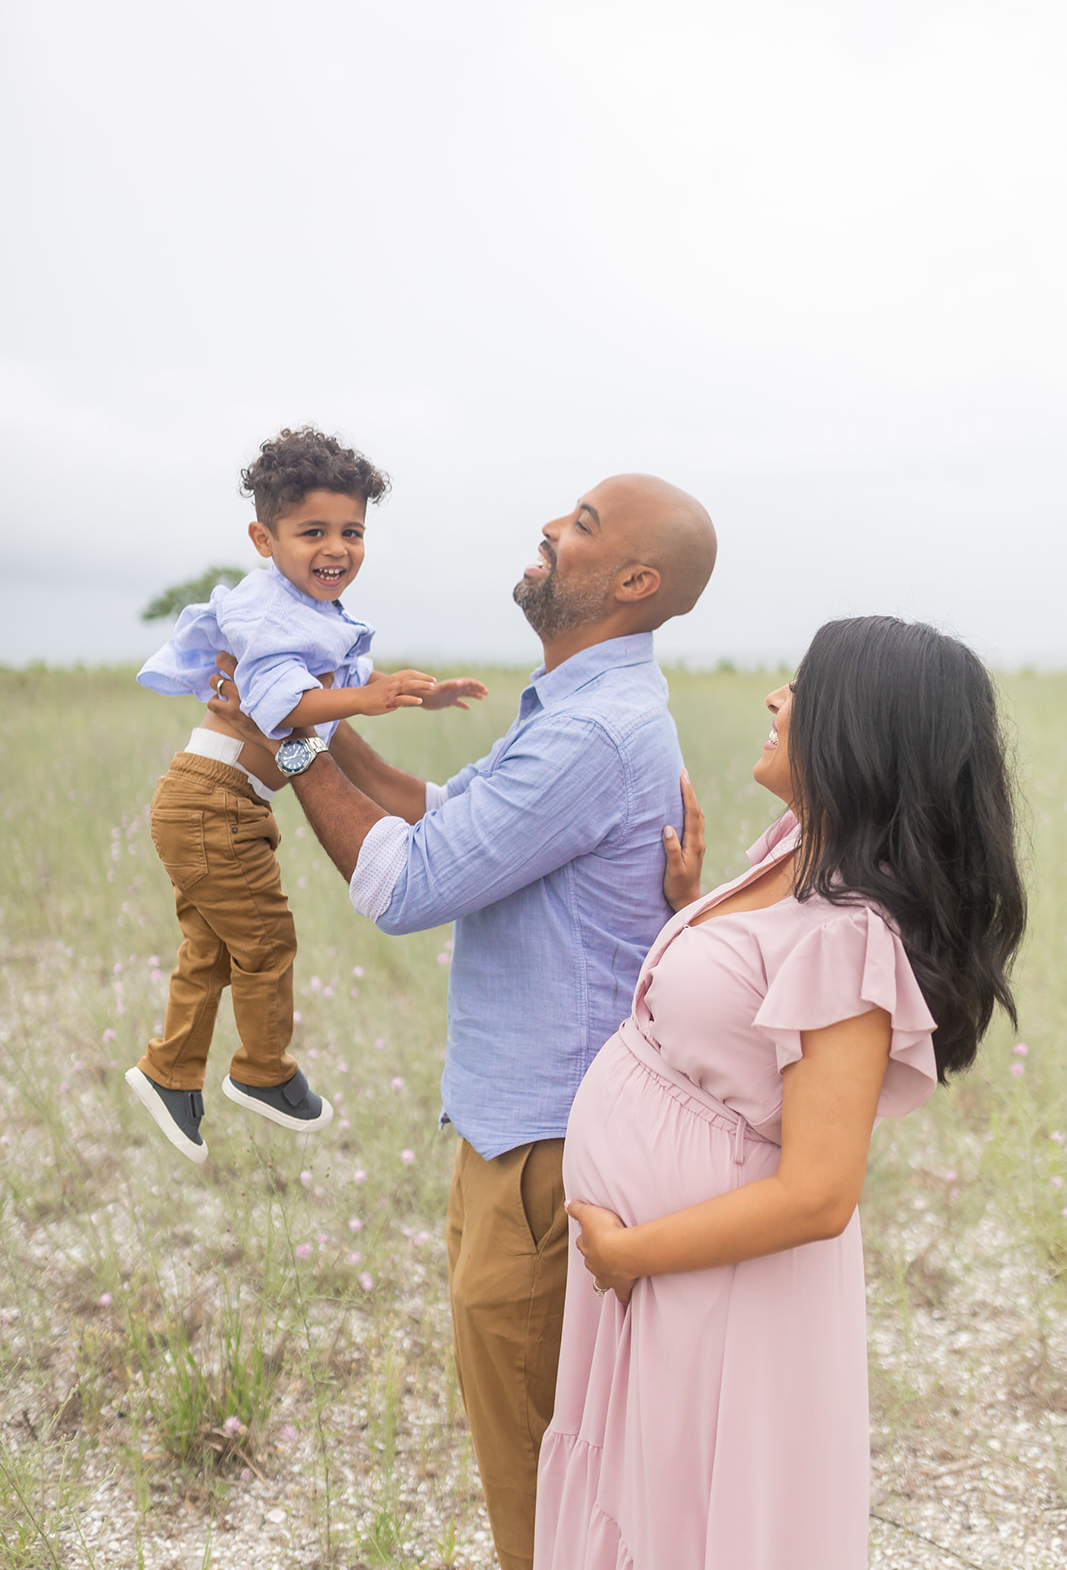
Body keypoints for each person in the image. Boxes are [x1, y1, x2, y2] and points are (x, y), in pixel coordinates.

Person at [208, 473, 718, 1570]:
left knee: (540, 1478)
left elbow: (403, 884)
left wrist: (284, 741)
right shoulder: (578, 711)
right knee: (536, 1454)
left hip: (547, 1156)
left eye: (579, 524)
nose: (547, 525)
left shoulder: (593, 734)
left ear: (632, 581)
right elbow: (440, 814)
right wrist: (310, 698)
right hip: (515, 1133)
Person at [533, 616, 1027, 1570]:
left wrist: (632, 1252)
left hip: (711, 1288)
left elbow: (818, 1194)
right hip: (666, 1271)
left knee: (690, 1522)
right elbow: (758, 1010)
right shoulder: (798, 846)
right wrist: (697, 917)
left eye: (800, 688)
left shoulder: (850, 940)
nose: (774, 699)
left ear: (860, 733)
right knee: (638, 1505)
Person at [127, 426, 485, 1164]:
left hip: (217, 797)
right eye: (312, 531)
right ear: (264, 537)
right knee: (264, 940)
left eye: (351, 531)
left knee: (212, 948)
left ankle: (170, 1073)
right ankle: (262, 1073)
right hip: (216, 797)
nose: (336, 548)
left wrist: (421, 695)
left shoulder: (308, 614)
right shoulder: (266, 612)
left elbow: (337, 690)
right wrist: (365, 700)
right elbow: (281, 703)